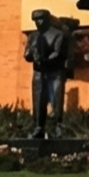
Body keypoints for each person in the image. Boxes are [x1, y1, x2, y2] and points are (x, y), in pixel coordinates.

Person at [23, 8, 81, 141]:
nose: (38, 22)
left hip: (54, 72)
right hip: (38, 72)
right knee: (38, 101)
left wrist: (45, 60)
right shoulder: (33, 36)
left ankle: (58, 126)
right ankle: (38, 127)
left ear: (47, 19)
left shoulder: (57, 34)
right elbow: (27, 54)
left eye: (41, 19)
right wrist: (31, 53)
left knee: (56, 99)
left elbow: (57, 52)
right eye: (36, 20)